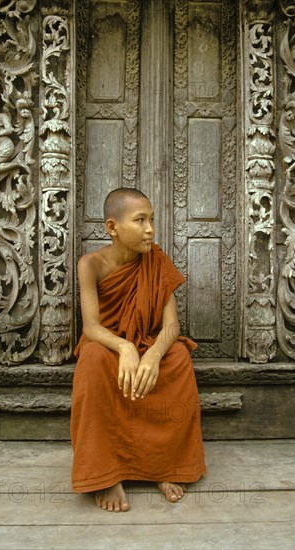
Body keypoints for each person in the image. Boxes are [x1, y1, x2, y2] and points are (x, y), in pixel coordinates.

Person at [70, 187, 206, 512]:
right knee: (91, 359)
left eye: (152, 220)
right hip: (108, 343)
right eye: (140, 220)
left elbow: (171, 326)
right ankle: (107, 472)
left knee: (179, 359)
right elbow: (91, 327)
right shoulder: (91, 264)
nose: (150, 229)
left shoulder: (156, 260)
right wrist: (124, 346)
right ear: (112, 227)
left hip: (148, 343)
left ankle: (164, 466)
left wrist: (155, 354)